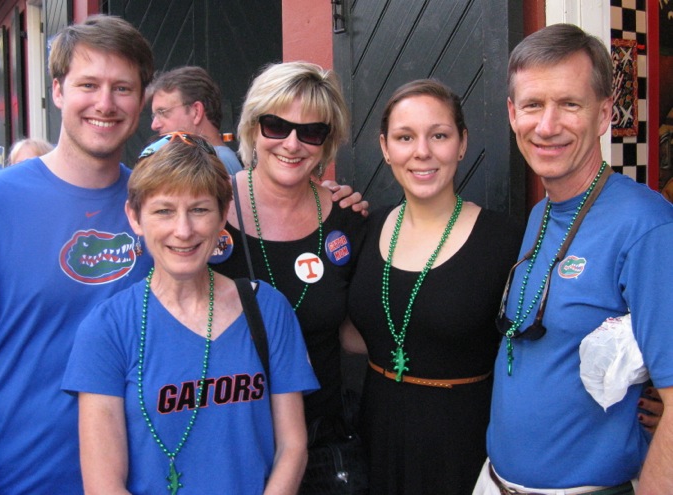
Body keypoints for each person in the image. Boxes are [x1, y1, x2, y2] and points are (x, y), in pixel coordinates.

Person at [475, 24, 673, 495]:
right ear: (511, 114)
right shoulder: (541, 213)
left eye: (569, 104)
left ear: (604, 113)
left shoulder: (647, 226)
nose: (547, 126)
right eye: (532, 105)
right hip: (496, 481)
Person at [62, 132, 318, 494]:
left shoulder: (266, 309)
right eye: (164, 210)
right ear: (135, 217)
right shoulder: (108, 328)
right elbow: (104, 484)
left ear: (222, 214)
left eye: (199, 209)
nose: (183, 231)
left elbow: (292, 447)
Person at [0, 15, 154, 494]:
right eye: (88, 84)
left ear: (141, 100)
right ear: (57, 90)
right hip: (21, 476)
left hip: (145, 477)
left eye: (122, 88)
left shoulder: (161, 212)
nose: (105, 103)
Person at [341, 79, 523, 494]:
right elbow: (350, 329)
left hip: (463, 445)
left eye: (438, 135)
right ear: (385, 147)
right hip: (375, 436)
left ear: (461, 144)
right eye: (405, 137)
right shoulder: (363, 228)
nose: (422, 151)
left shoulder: (505, 239)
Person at [213, 61, 367, 428]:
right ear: (253, 127)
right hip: (226, 435)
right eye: (277, 125)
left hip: (321, 439)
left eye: (311, 131)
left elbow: (359, 332)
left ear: (328, 141)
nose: (292, 143)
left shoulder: (348, 220)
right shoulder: (207, 209)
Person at [148, 66, 243, 174]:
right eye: (154, 115)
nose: (154, 125)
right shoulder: (217, 160)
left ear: (196, 112)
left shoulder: (215, 162)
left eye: (162, 112)